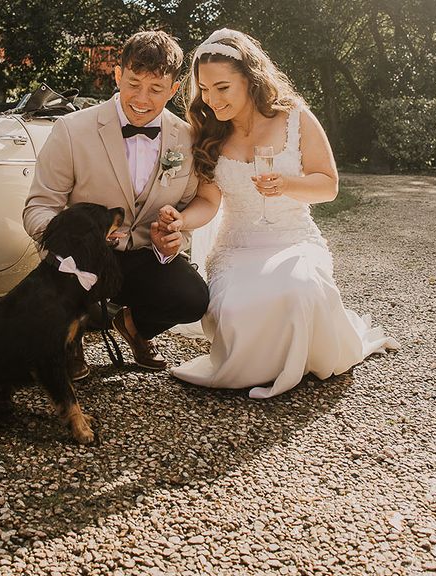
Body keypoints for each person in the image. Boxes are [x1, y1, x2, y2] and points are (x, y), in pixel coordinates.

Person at [157, 29, 400, 399]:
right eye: (204, 90)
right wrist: (182, 220)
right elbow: (208, 202)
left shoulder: (295, 118)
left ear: (250, 80)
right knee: (240, 311)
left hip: (293, 239)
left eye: (222, 88)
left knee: (300, 290)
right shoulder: (208, 132)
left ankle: (296, 360)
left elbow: (328, 185)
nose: (212, 99)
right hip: (237, 249)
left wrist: (287, 185)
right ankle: (266, 362)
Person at [23, 31, 209, 380]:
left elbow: (193, 199)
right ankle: (70, 337)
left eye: (156, 89)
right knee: (57, 292)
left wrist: (177, 225)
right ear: (118, 74)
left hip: (144, 255)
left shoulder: (187, 138)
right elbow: (38, 206)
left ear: (174, 88)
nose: (141, 98)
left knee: (193, 298)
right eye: (134, 83)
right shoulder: (72, 129)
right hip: (80, 260)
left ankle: (133, 326)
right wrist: (70, 242)